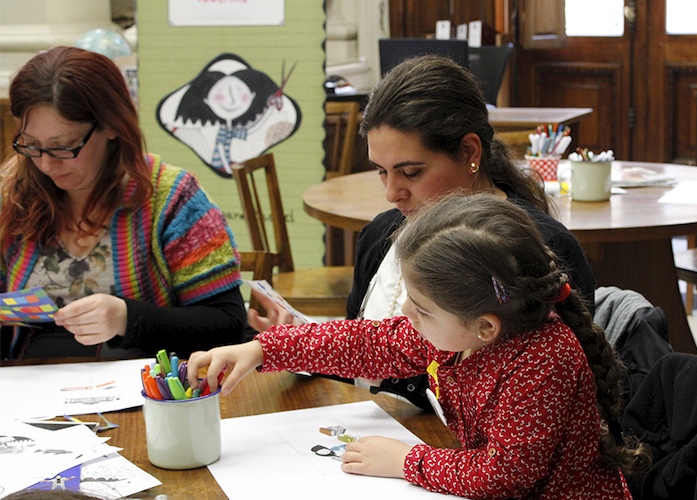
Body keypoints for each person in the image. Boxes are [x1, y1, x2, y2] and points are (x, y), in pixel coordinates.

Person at [189, 194, 650, 499]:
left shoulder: (543, 361)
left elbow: (504, 474)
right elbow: (366, 343)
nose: (406, 312)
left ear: (484, 327)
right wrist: (264, 350)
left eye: (423, 307)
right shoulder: (457, 334)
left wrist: (406, 460)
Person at [248, 55, 596, 408]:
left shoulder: (535, 249)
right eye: (381, 171)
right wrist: (300, 343)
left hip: (469, 457)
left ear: (469, 152)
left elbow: (540, 405)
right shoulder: (381, 234)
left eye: (411, 172)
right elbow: (366, 359)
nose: (391, 192)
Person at [0, 46, 250, 360]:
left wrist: (127, 318)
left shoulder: (171, 198)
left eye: (63, 147)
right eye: (32, 145)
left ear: (113, 125)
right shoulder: (12, 195)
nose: (47, 165)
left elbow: (227, 325)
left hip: (140, 389)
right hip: (25, 392)